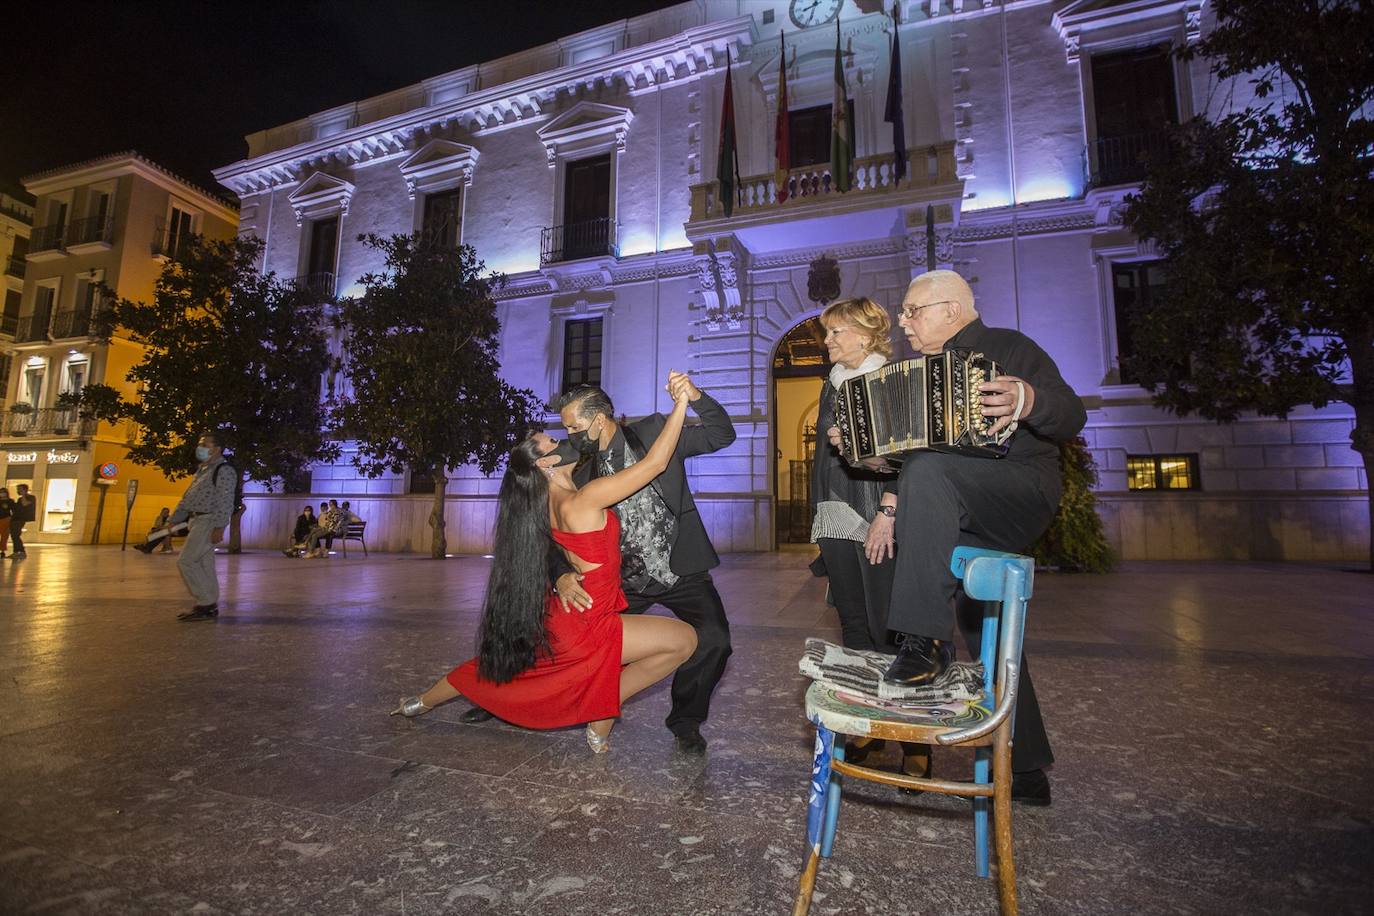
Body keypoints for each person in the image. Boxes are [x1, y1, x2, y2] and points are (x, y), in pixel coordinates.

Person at [833, 270, 1085, 805]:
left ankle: (924, 640)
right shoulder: (917, 372)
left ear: (951, 309)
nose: (902, 321)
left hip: (1018, 492)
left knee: (926, 468)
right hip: (952, 509)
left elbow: (1071, 415)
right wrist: (866, 453)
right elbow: (908, 467)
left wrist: (1027, 397)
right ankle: (1027, 771)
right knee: (986, 626)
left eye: (911, 311)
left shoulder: (1009, 346)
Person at [391, 370, 699, 755]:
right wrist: (681, 403)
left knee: (504, 669)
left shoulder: (548, 504)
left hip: (568, 617)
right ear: (545, 464)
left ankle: (419, 702)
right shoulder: (584, 500)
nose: (564, 439)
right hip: (589, 624)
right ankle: (599, 719)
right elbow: (654, 465)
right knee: (684, 640)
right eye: (553, 440)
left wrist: (563, 577)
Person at [539, 375, 736, 756]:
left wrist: (694, 397)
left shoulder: (656, 431)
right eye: (565, 428)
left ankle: (685, 722)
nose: (569, 435)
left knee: (715, 641)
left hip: (680, 569)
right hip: (621, 578)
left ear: (599, 420)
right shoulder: (574, 462)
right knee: (572, 643)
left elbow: (720, 434)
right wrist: (559, 573)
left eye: (574, 426)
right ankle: (509, 695)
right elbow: (546, 526)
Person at [809, 298, 931, 782]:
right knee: (855, 624)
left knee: (894, 627)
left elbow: (918, 454)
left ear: (864, 334)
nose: (828, 341)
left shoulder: (893, 379)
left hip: (879, 515)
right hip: (835, 516)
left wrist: (889, 511)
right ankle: (870, 729)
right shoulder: (830, 387)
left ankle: (915, 741)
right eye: (827, 333)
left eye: (837, 332)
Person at [167, 433, 237, 621]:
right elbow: (188, 497)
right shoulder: (203, 470)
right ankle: (209, 605)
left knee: (186, 561)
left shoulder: (224, 470)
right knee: (204, 564)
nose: (201, 447)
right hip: (196, 520)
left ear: (217, 448)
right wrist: (175, 518)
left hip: (209, 521)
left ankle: (205, 603)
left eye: (205, 444)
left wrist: (220, 527)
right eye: (200, 444)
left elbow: (225, 500)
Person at [9, 484, 36, 559]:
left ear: (25, 490)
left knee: (16, 535)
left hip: (20, 519)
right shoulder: (19, 499)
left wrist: (24, 495)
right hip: (15, 519)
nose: (18, 491)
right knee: (14, 535)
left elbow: (25, 504)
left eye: (20, 489)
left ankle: (21, 551)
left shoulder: (31, 497)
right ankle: (16, 551)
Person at [0, 487, 12, 559]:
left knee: (4, 536)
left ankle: (2, 551)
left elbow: (13, 509)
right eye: (1, 492)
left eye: (3, 492)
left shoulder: (10, 501)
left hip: (6, 519)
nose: (2, 494)